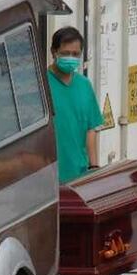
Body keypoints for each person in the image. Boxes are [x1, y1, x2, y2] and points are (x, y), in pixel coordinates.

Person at [47, 27, 104, 183]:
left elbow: (91, 129)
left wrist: (93, 167)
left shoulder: (84, 85)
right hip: (50, 178)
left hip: (79, 176)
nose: (71, 58)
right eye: (66, 53)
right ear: (54, 52)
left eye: (75, 54)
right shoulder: (42, 85)